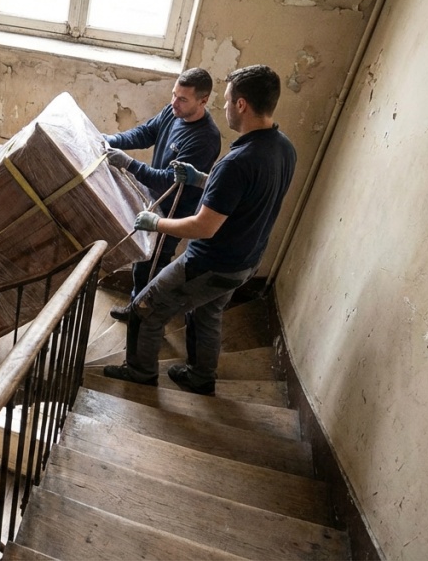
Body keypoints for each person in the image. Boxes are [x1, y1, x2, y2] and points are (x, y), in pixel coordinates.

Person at [104, 65, 296, 395]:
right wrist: (201, 179)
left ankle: (140, 372)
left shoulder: (235, 162)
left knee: (145, 309)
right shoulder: (283, 147)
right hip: (246, 261)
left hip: (211, 262)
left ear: (241, 105)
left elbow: (203, 227)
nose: (223, 107)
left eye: (226, 100)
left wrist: (156, 224)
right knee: (206, 315)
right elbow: (241, 196)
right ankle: (202, 376)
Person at [104, 67, 221, 320]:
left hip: (171, 213)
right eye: (173, 95)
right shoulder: (173, 112)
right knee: (140, 264)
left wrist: (129, 164)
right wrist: (111, 140)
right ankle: (137, 309)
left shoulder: (205, 139)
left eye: (182, 99)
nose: (174, 103)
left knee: (152, 269)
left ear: (203, 100)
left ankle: (144, 321)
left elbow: (168, 181)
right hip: (153, 201)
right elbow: (146, 133)